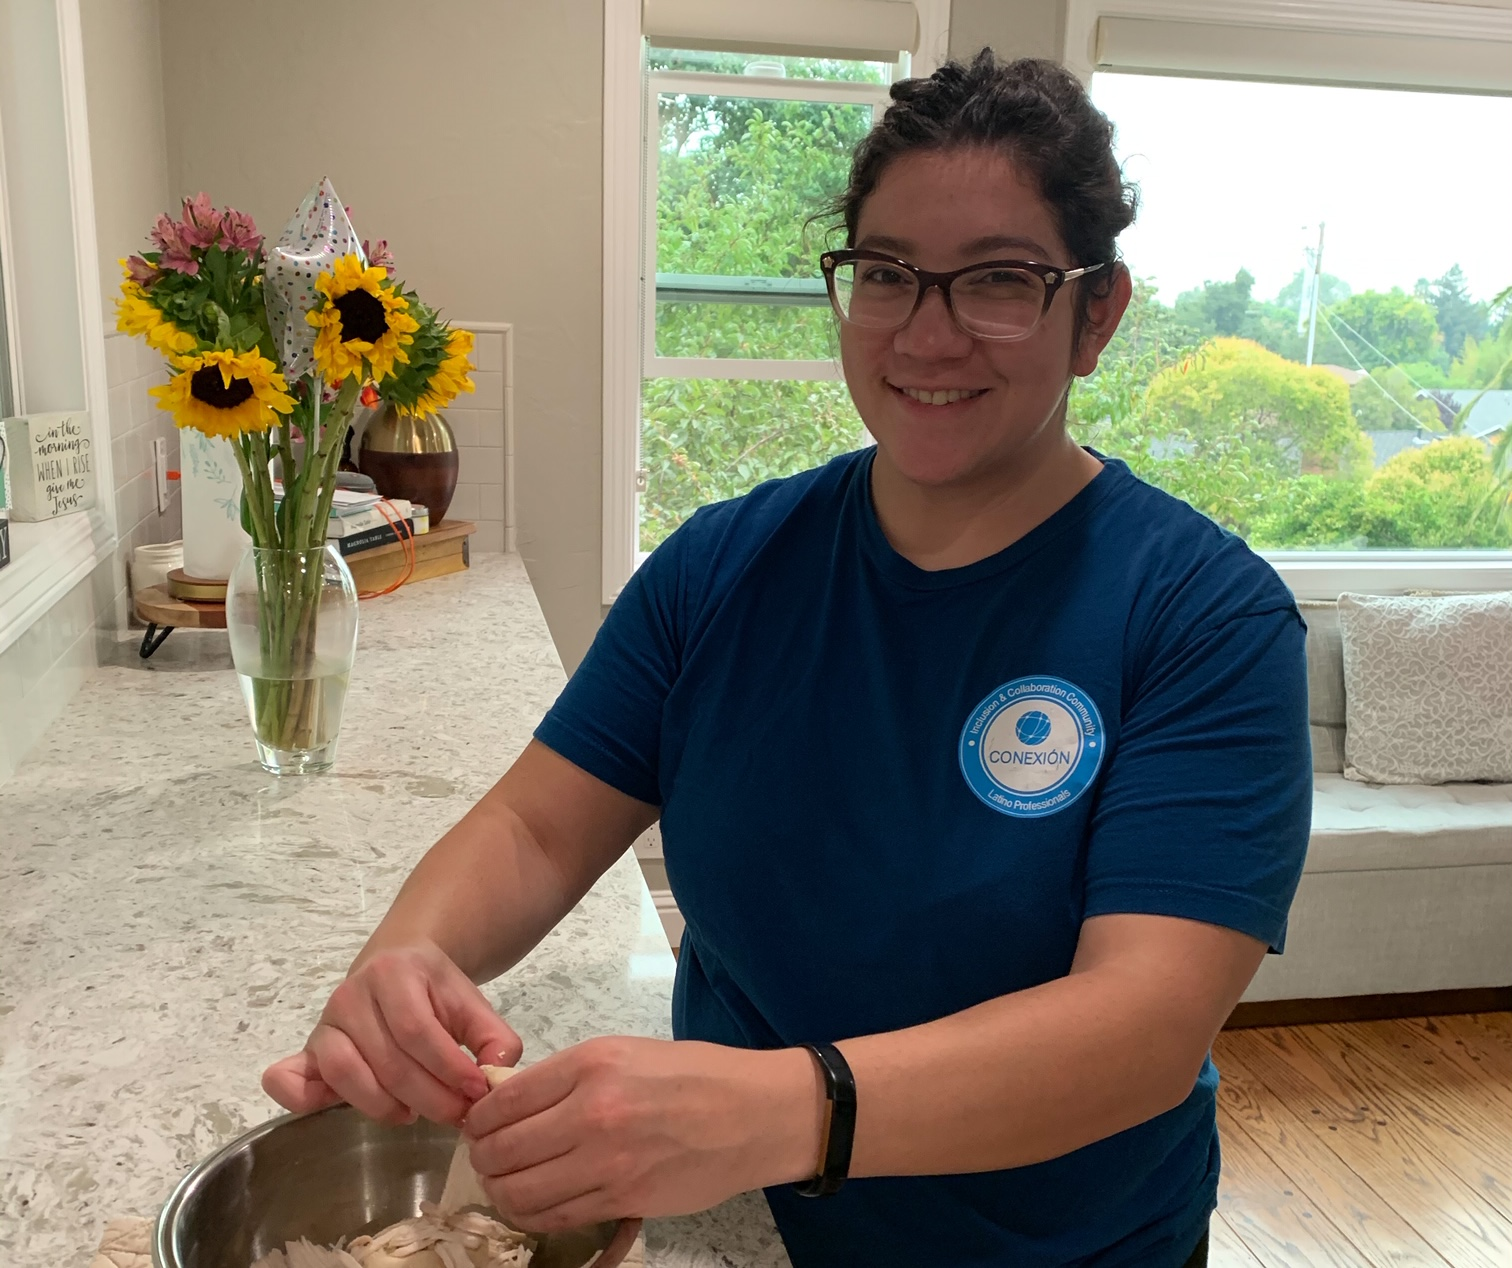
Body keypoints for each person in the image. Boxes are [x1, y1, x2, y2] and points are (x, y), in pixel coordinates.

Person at [265, 51, 1312, 1268]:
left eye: (999, 282)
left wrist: (777, 1110)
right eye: (885, 275)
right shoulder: (724, 566)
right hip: (750, 1225)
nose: (926, 333)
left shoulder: (1203, 618)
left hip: (1061, 1247)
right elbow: (536, 830)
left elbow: (1139, 1026)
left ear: (1098, 314)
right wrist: (409, 958)